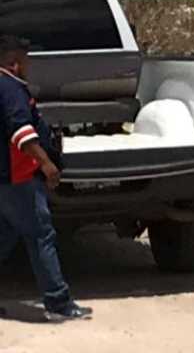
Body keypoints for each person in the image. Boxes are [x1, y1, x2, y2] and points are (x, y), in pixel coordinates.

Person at [0, 35, 92, 322]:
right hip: (18, 178)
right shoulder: (10, 87)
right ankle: (58, 302)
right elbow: (20, 131)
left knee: (5, 236)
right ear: (13, 62)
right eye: (25, 58)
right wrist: (47, 164)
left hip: (5, 179)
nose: (29, 64)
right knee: (41, 235)